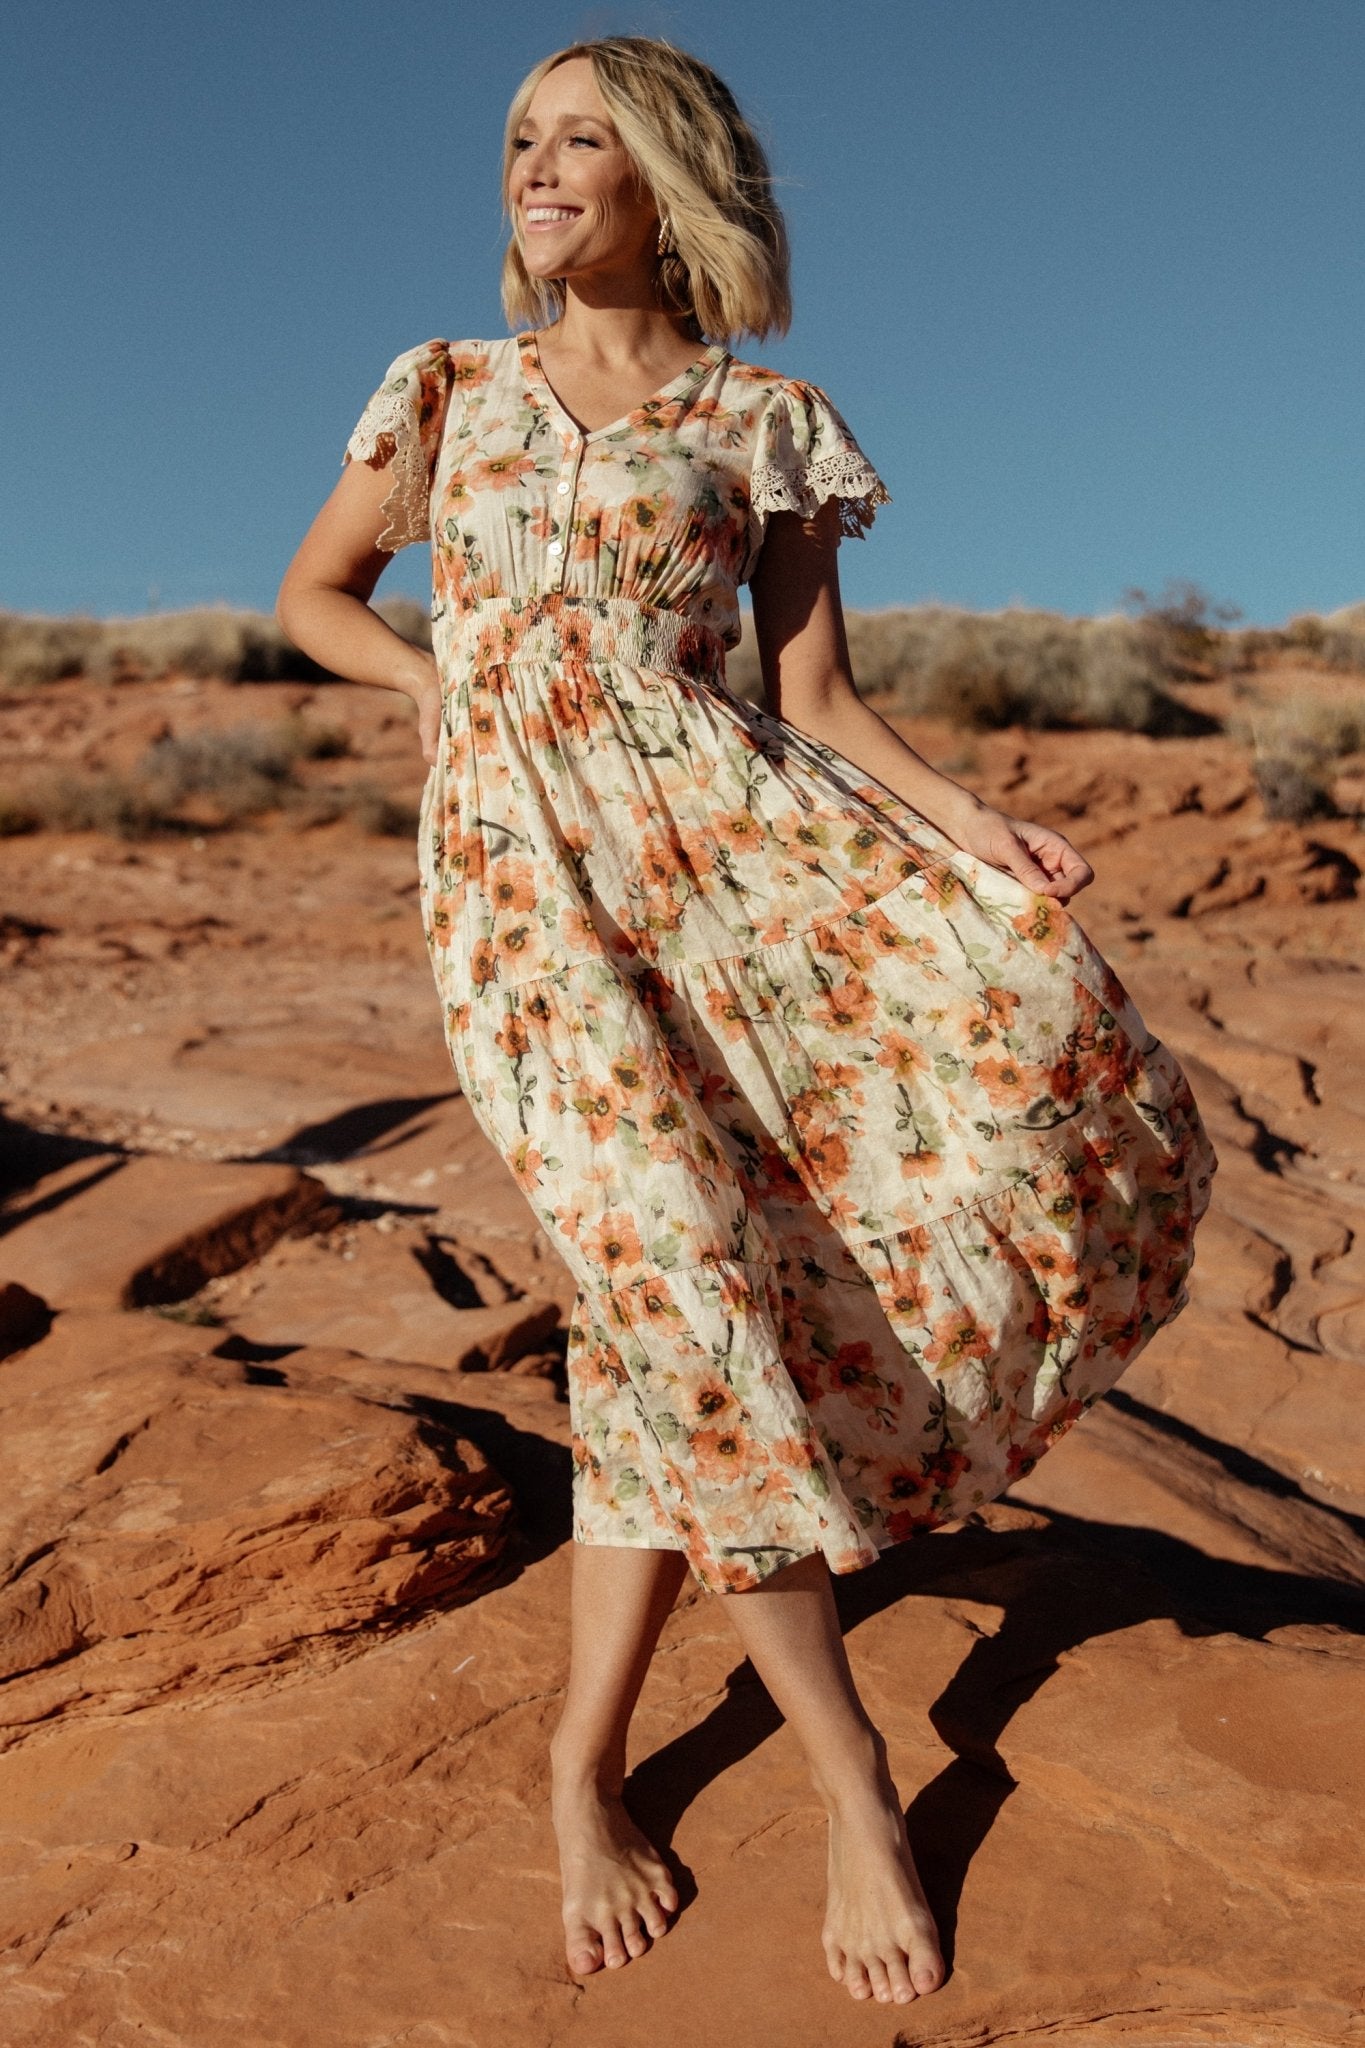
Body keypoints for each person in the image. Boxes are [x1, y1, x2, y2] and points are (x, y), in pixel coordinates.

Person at [277, 35, 1216, 2009]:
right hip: (528, 903)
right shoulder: (444, 392)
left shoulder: (767, 420)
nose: (536, 169)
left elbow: (813, 704)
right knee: (678, 1281)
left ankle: (579, 1755)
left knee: (675, 1312)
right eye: (519, 140)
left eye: (578, 140)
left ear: (666, 179)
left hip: (737, 879)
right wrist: (433, 684)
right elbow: (314, 594)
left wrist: (975, 826)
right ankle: (851, 1765)